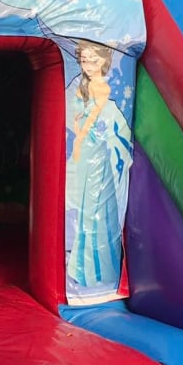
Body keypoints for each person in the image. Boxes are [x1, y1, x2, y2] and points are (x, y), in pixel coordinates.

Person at [67, 41, 132, 292]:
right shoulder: (81, 86)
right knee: (87, 208)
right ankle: (85, 267)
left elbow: (91, 120)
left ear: (104, 61)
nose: (88, 65)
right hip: (88, 151)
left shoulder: (101, 88)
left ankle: (97, 269)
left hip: (97, 154)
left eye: (93, 60)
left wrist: (81, 137)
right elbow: (76, 116)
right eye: (84, 60)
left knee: (96, 209)